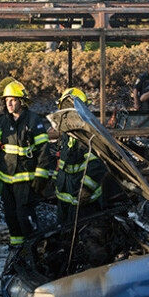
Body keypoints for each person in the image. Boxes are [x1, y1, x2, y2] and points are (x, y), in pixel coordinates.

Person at [0, 80, 52, 247]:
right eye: (7, 99)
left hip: (25, 180)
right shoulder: (2, 123)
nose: (9, 103)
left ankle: (34, 249)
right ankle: (17, 250)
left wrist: (41, 176)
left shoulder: (33, 121)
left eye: (13, 99)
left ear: (22, 102)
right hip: (7, 180)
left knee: (24, 216)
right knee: (11, 217)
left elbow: (44, 150)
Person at [54, 88, 107, 225]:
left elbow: (98, 162)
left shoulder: (89, 132)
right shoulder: (67, 132)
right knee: (65, 236)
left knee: (85, 237)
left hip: (85, 201)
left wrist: (86, 188)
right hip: (65, 199)